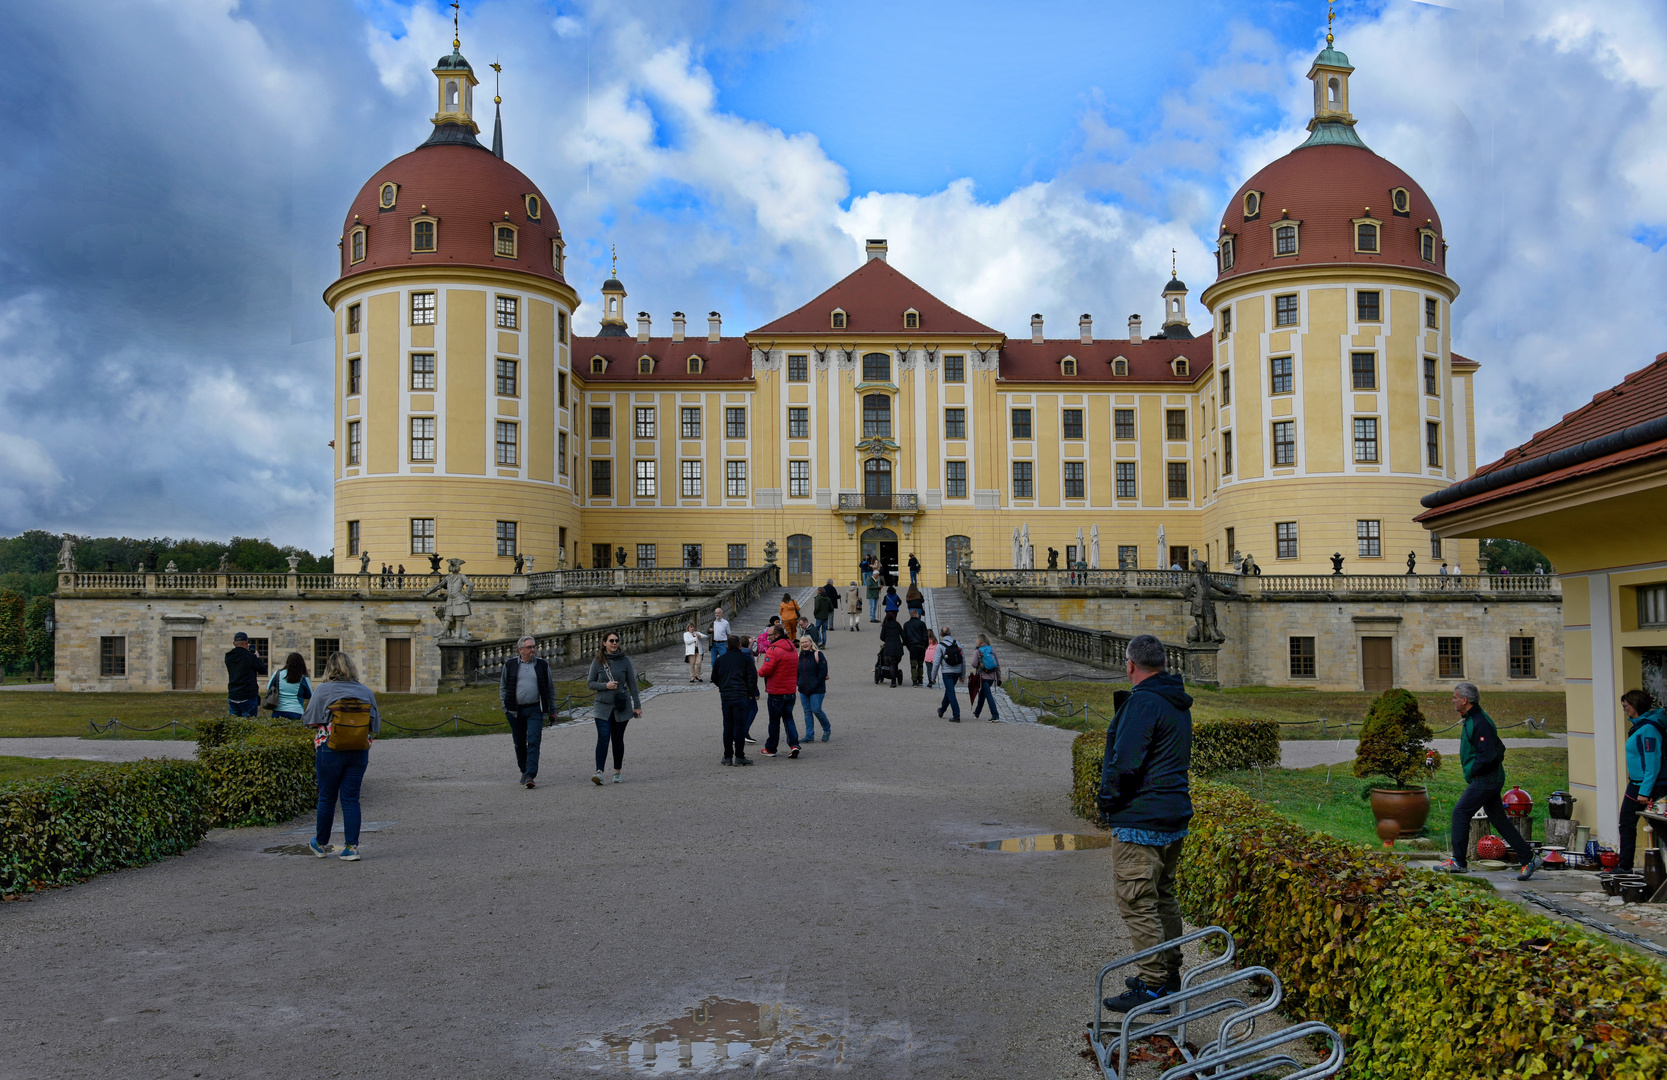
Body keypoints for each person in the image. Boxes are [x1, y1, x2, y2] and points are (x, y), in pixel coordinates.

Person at [1098, 635, 1193, 1013]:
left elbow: (1125, 763)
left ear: (1130, 665)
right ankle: (1168, 974)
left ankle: (1153, 987)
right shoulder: (1175, 701)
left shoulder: (1143, 703)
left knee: (1136, 901)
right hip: (1171, 815)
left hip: (1142, 817)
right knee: (1162, 896)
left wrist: (1107, 802)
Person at [1432, 683, 1542, 880]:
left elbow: (1489, 754)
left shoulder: (1480, 721)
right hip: (1487, 778)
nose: (1453, 700)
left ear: (1465, 700)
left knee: (1460, 811)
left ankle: (1458, 861)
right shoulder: (1471, 718)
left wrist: (1473, 771)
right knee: (1498, 819)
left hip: (1486, 779)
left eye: (1455, 697)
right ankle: (1528, 858)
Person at [302, 651, 380, 861]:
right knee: (351, 799)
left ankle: (320, 843)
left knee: (327, 797)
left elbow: (309, 720)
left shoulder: (324, 690)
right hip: (359, 749)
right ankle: (351, 847)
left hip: (330, 748)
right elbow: (376, 725)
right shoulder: (366, 692)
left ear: (329, 669)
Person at [1619, 689, 1666, 872]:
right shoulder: (1640, 726)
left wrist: (1645, 792)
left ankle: (1625, 866)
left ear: (1635, 706)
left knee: (1660, 826)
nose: (1624, 710)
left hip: (1650, 787)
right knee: (1626, 823)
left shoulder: (1649, 729)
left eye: (1626, 706)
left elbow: (1652, 762)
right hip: (1636, 784)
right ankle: (1624, 867)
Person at [587, 631, 642, 784]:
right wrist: (605, 685)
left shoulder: (625, 660)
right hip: (602, 706)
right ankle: (599, 772)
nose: (614, 643)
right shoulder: (598, 661)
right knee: (603, 736)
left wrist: (637, 705)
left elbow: (632, 684)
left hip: (621, 706)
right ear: (604, 643)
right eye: (611, 640)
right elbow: (590, 683)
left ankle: (617, 771)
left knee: (617, 739)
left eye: (616, 640)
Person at [499, 636, 555, 788]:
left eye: (534, 647)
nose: (533, 650)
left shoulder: (542, 665)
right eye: (529, 647)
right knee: (519, 743)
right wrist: (506, 708)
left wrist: (552, 710)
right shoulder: (510, 664)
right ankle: (524, 770)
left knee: (534, 740)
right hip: (514, 710)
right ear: (520, 649)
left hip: (535, 709)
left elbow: (550, 689)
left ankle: (530, 775)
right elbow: (503, 687)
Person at [711, 631, 757, 766]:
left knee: (728, 726)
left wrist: (723, 686)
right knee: (740, 727)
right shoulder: (746, 659)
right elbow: (752, 677)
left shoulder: (720, 660)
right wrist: (750, 692)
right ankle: (739, 756)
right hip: (741, 695)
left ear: (727, 647)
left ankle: (727, 756)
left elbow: (714, 678)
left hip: (726, 695)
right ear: (739, 646)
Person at [756, 626, 802, 758]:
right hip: (790, 689)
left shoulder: (774, 649)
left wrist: (758, 671)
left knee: (774, 721)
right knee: (788, 718)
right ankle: (794, 744)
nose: (767, 637)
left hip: (776, 690)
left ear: (776, 635)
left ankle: (771, 748)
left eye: (769, 635)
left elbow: (766, 670)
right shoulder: (792, 648)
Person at [225, 632, 268, 717]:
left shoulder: (228, 656)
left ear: (234, 643)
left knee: (234, 724)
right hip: (248, 694)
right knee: (249, 724)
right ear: (247, 643)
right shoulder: (250, 657)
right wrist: (257, 658)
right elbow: (263, 670)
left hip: (233, 693)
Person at [797, 636, 831, 742]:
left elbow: (823, 671)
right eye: (802, 643)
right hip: (803, 689)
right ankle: (809, 735)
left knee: (816, 710)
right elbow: (796, 672)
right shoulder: (799, 656)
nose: (804, 644)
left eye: (806, 642)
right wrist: (798, 683)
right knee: (807, 712)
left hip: (817, 689)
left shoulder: (818, 654)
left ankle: (826, 729)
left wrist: (815, 684)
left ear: (811, 643)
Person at [265, 652, 312, 720]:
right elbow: (310, 694)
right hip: (296, 710)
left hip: (278, 710)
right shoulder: (303, 677)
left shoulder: (278, 673)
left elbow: (269, 687)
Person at [936, 626, 964, 722]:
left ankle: (956, 715)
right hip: (957, 671)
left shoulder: (940, 646)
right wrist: (962, 675)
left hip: (947, 672)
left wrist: (932, 677)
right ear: (950, 634)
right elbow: (962, 660)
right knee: (949, 690)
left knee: (951, 692)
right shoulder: (958, 644)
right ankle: (942, 709)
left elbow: (936, 662)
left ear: (941, 635)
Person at [971, 634, 1002, 722]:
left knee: (988, 695)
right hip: (992, 677)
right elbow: (998, 665)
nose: (976, 641)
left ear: (980, 641)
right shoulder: (992, 649)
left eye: (977, 640)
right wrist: (999, 679)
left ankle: (995, 715)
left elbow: (974, 664)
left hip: (983, 677)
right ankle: (977, 713)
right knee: (982, 694)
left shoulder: (977, 651)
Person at [902, 609, 929, 687]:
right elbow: (925, 636)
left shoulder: (906, 624)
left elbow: (905, 637)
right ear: (916, 614)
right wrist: (925, 646)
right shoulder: (921, 624)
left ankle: (914, 681)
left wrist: (907, 645)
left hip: (912, 646)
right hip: (921, 646)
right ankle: (920, 679)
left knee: (913, 664)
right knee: (920, 664)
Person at [879, 611, 905, 688]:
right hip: (897, 647)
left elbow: (882, 637)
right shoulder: (897, 625)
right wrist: (904, 643)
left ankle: (893, 682)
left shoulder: (885, 626)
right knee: (895, 662)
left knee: (892, 663)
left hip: (889, 647)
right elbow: (903, 635)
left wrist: (887, 640)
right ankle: (895, 677)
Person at [812, 581, 838, 645]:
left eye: (817, 591)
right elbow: (831, 608)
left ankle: (819, 640)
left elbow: (817, 608)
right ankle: (824, 644)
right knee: (824, 631)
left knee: (817, 629)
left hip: (819, 616)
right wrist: (827, 612)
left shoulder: (818, 598)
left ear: (819, 591)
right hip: (825, 617)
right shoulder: (827, 599)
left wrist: (815, 613)